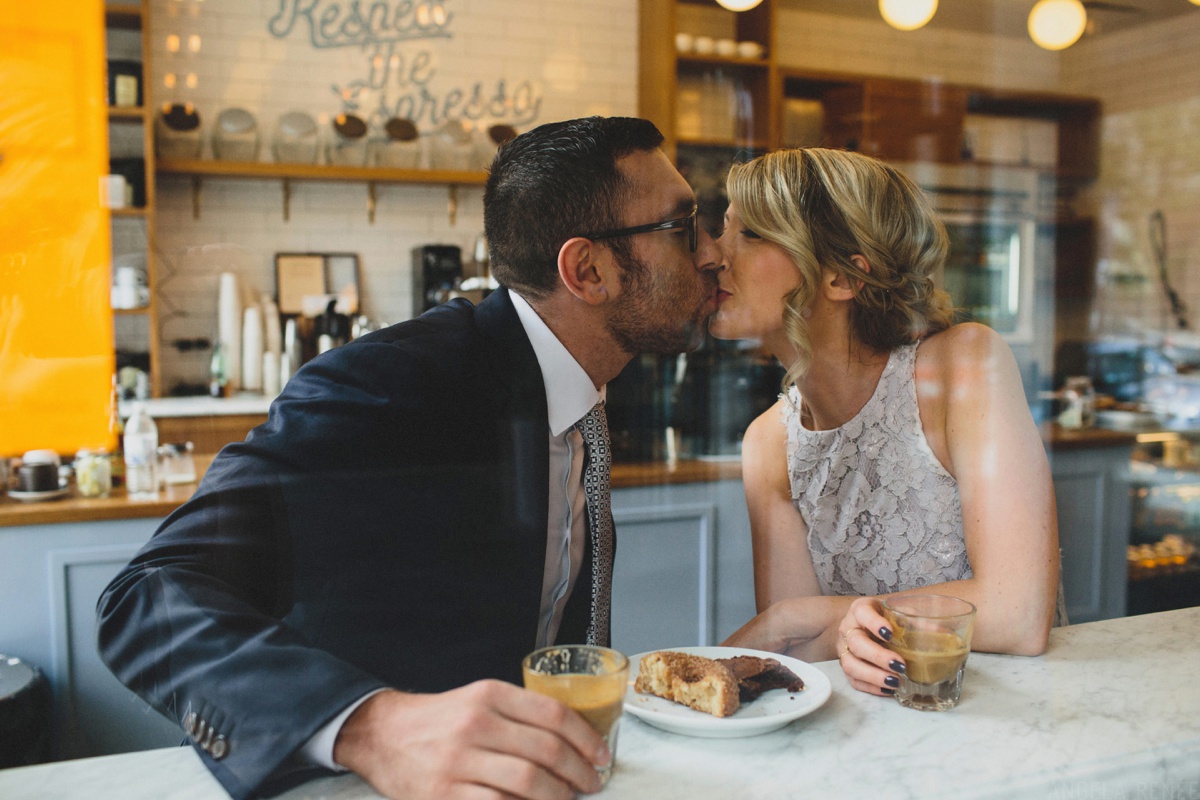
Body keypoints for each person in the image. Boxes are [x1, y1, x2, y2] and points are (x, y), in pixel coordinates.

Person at [97, 116, 722, 800]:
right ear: (588, 270)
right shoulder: (386, 384)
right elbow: (146, 597)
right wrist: (374, 727)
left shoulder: (586, 389)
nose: (713, 253)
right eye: (684, 226)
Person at [709, 147, 1060, 698]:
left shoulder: (963, 368)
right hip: (874, 737)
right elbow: (800, 660)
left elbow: (1019, 613)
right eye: (722, 229)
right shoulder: (768, 444)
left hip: (1008, 718)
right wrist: (799, 626)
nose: (712, 255)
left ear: (843, 278)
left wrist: (798, 617)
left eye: (749, 233)